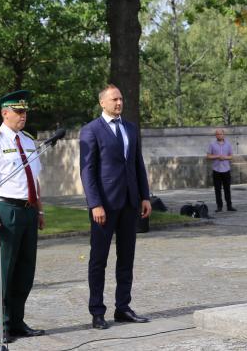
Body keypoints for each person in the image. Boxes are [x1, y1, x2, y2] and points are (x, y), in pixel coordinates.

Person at [0, 90, 45, 344]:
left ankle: (17, 321)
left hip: (28, 209)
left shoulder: (28, 140)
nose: (22, 116)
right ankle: (0, 326)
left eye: (24, 112)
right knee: (3, 272)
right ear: (5, 113)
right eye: (18, 112)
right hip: (6, 209)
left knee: (25, 270)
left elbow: (35, 179)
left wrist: (40, 209)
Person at [79, 84, 152, 330]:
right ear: (102, 103)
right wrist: (95, 203)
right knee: (98, 259)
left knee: (126, 257)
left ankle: (123, 307)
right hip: (104, 206)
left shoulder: (130, 128)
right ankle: (97, 311)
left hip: (130, 203)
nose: (119, 103)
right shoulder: (91, 131)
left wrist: (145, 196)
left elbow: (137, 163)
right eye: (114, 99)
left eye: (120, 98)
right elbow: (87, 171)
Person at [206, 128, 235, 212]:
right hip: (216, 170)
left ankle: (229, 206)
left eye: (220, 134)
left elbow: (231, 156)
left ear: (223, 135)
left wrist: (224, 157)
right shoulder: (212, 144)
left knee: (227, 189)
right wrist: (217, 156)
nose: (219, 135)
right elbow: (208, 156)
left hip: (226, 170)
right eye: (217, 134)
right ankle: (219, 206)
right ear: (216, 135)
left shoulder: (228, 144)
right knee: (217, 189)